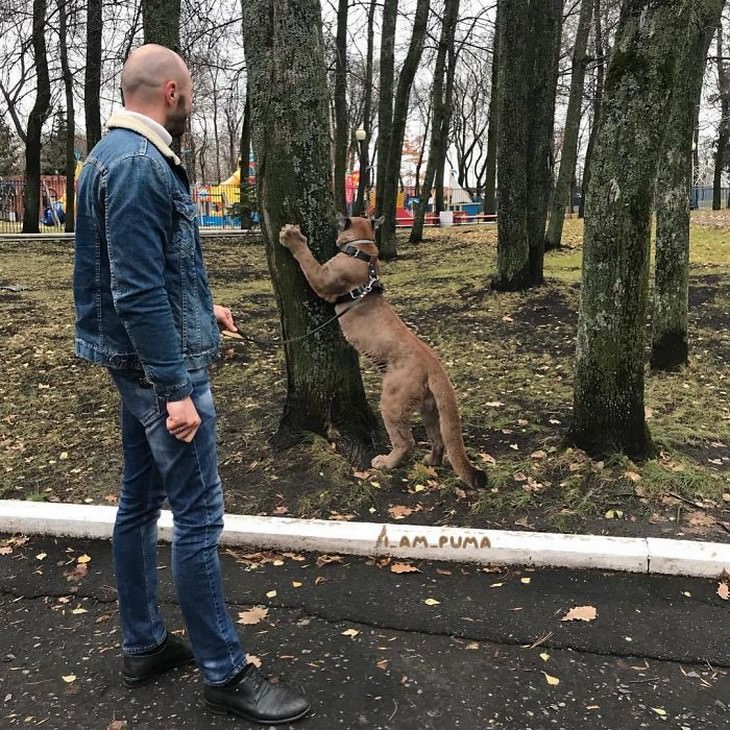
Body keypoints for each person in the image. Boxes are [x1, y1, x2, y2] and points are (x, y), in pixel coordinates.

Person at [73, 43, 309, 725]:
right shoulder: (144, 166)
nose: (196, 99)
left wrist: (203, 307)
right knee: (199, 519)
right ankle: (224, 672)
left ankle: (144, 644)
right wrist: (176, 388)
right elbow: (137, 289)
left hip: (134, 361)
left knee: (138, 506)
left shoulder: (106, 158)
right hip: (159, 370)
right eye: (193, 89)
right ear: (171, 91)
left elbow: (141, 270)